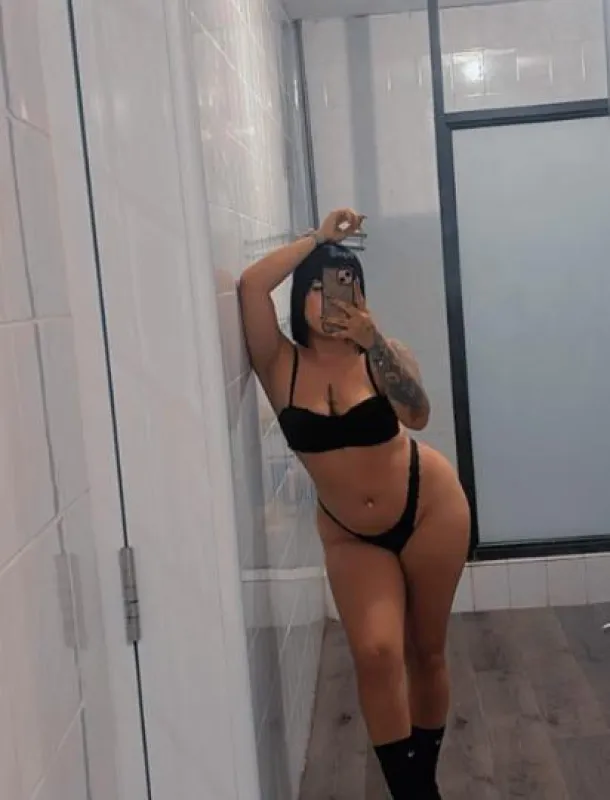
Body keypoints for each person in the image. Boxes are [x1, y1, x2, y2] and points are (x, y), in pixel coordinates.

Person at [239, 208, 470, 799]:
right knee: (376, 651)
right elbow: (251, 285)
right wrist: (318, 239)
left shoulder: (379, 354)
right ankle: (411, 792)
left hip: (429, 506)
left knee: (426, 652)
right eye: (318, 287)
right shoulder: (279, 363)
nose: (331, 298)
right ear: (301, 298)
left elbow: (418, 414)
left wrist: (375, 342)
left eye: (345, 285)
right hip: (350, 532)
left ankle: (424, 784)